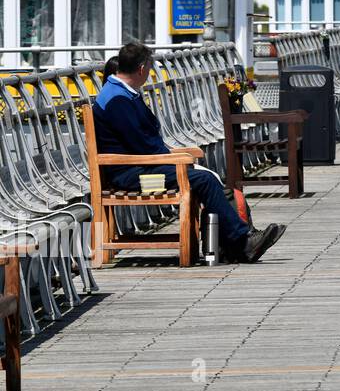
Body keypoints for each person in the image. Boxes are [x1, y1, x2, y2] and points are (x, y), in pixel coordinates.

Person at [92, 43, 285, 264]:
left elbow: (143, 141)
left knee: (207, 178)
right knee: (203, 180)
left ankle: (239, 243)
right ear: (142, 68)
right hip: (132, 175)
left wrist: (174, 158)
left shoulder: (122, 93)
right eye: (150, 69)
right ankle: (242, 240)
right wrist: (176, 160)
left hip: (141, 166)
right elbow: (141, 145)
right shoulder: (118, 99)